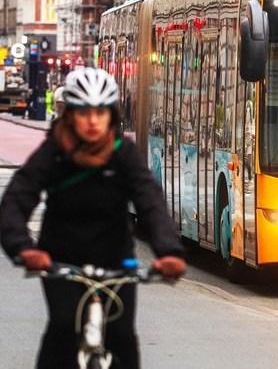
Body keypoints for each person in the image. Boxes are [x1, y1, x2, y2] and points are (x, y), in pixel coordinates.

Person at [0, 68, 186, 369]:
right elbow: (17, 199)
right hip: (61, 261)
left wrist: (169, 252)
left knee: (123, 338)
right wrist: (22, 248)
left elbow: (150, 202)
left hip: (115, 261)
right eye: (83, 112)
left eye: (100, 112)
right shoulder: (55, 152)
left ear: (111, 114)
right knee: (62, 328)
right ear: (70, 114)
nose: (92, 121)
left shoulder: (122, 153)